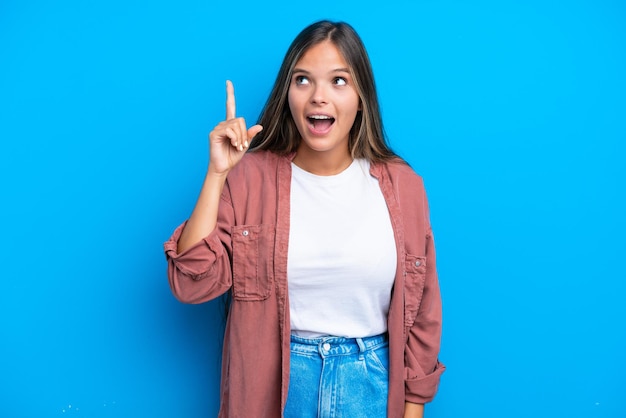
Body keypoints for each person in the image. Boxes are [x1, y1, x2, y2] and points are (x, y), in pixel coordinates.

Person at [164, 20, 445, 418]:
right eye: (303, 80)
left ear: (362, 96)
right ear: (288, 92)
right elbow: (191, 283)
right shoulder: (249, 179)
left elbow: (423, 311)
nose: (319, 97)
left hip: (372, 386)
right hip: (274, 387)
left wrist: (413, 409)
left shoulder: (404, 186)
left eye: (338, 81)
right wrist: (218, 174)